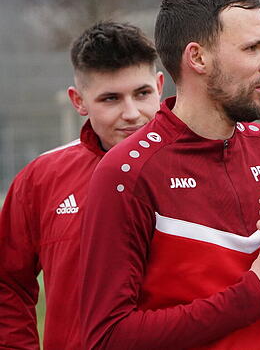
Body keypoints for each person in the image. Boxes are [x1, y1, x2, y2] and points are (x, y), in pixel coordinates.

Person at [78, 0, 260, 349]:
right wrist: (252, 298)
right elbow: (107, 338)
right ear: (198, 58)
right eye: (252, 48)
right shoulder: (128, 173)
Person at [0, 21, 164, 349]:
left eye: (142, 93)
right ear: (79, 101)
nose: (131, 113)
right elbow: (7, 284)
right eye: (110, 99)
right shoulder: (40, 180)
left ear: (160, 86)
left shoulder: (202, 167)